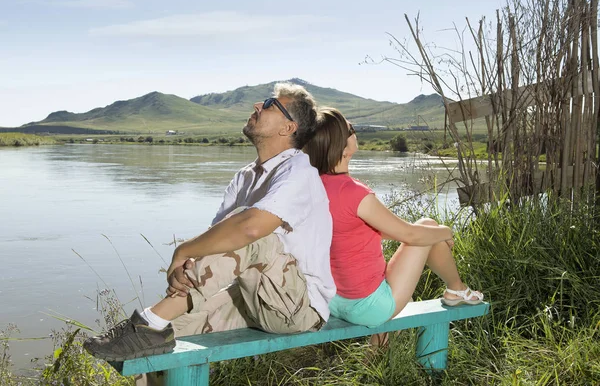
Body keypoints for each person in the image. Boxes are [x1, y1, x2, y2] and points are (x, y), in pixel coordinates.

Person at [84, 83, 335, 362]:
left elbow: (250, 229)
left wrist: (183, 252)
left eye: (268, 104)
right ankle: (151, 327)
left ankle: (144, 323)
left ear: (288, 128)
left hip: (298, 310)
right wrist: (190, 265)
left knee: (253, 231)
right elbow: (218, 240)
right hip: (250, 298)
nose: (256, 106)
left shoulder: (300, 171)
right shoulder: (246, 176)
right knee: (165, 336)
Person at [303, 107, 483, 336]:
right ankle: (457, 289)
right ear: (343, 146)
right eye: (352, 129)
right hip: (369, 308)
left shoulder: (314, 187)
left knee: (417, 235)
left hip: (334, 302)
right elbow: (411, 236)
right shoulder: (354, 193)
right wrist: (446, 231)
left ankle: (380, 347)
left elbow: (358, 231)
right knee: (427, 226)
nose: (355, 134)